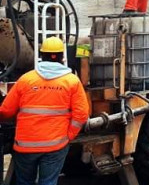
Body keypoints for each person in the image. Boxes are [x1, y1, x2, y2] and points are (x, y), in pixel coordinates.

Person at [0, 37, 90, 185]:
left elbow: (6, 111)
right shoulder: (72, 81)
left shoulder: (25, 80)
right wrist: (69, 136)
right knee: (48, 182)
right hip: (55, 145)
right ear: (62, 57)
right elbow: (81, 114)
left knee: (24, 182)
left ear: (41, 56)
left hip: (25, 146)